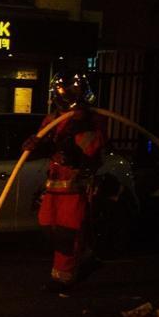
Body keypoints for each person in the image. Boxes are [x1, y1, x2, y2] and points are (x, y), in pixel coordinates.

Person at [22, 69, 106, 292]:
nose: (65, 97)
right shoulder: (52, 118)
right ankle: (86, 256)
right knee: (47, 228)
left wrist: (79, 126)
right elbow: (45, 141)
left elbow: (91, 149)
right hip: (54, 186)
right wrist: (34, 144)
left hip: (76, 187)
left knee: (67, 234)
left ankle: (64, 279)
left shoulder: (91, 119)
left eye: (69, 92)